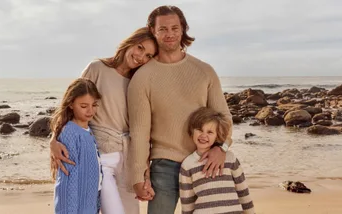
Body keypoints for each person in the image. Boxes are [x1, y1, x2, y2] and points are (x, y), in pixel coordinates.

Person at [127, 5, 234, 213]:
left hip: (204, 162)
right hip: (164, 167)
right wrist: (137, 175)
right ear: (153, 31)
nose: (170, 34)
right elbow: (139, 133)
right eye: (163, 29)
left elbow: (224, 117)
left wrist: (222, 148)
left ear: (183, 29)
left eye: (175, 28)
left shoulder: (204, 71)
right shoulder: (142, 78)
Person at [50, 27, 158, 214]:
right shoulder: (97, 69)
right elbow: (72, 101)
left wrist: (144, 169)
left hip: (128, 157)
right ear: (130, 42)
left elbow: (143, 128)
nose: (141, 57)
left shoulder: (140, 81)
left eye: (148, 55)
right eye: (140, 48)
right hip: (100, 154)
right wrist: (54, 139)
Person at [179, 107, 254, 214]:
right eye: (200, 130)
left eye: (210, 132)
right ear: (192, 131)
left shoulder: (230, 158)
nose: (203, 135)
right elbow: (187, 201)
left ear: (217, 136)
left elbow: (243, 192)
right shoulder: (188, 164)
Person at [51, 78, 103, 214]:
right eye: (84, 106)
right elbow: (69, 178)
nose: (90, 111)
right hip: (75, 207)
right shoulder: (70, 133)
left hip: (89, 205)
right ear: (71, 104)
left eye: (94, 105)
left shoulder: (88, 131)